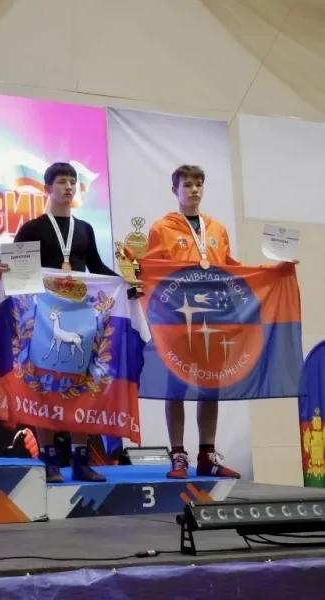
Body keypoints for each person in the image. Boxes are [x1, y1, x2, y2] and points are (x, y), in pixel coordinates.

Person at [0, 162, 117, 482]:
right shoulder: (32, 228)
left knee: (81, 385)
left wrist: (125, 282)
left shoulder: (84, 229)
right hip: (43, 318)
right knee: (44, 386)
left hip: (81, 316)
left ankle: (81, 460)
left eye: (73, 182)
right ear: (47, 189)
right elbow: (11, 265)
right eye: (62, 182)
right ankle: (49, 461)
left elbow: (97, 266)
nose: (69, 187)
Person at [142, 164, 242, 479]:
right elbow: (152, 272)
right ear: (175, 190)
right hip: (177, 321)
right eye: (187, 184)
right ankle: (178, 455)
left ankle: (207, 454)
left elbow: (232, 268)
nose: (194, 190)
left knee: (210, 386)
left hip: (213, 320)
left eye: (199, 184)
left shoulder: (217, 229)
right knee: (176, 386)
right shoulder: (162, 228)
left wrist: (274, 270)